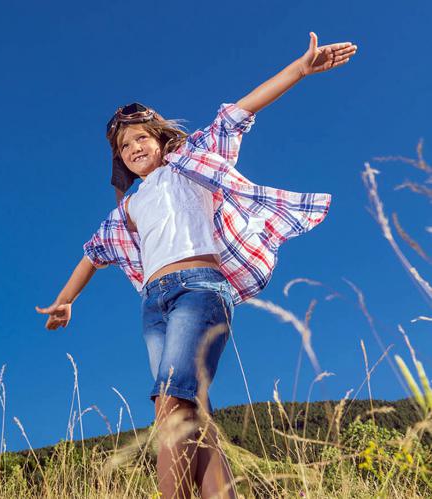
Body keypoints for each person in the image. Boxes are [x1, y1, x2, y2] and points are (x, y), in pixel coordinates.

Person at [36, 32, 357, 498]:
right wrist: (65, 301)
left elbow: (240, 113)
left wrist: (299, 69)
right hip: (154, 306)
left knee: (169, 400)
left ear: (160, 138)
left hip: (200, 291)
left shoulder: (192, 162)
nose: (134, 150)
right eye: (124, 148)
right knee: (189, 411)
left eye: (140, 138)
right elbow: (92, 253)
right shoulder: (128, 208)